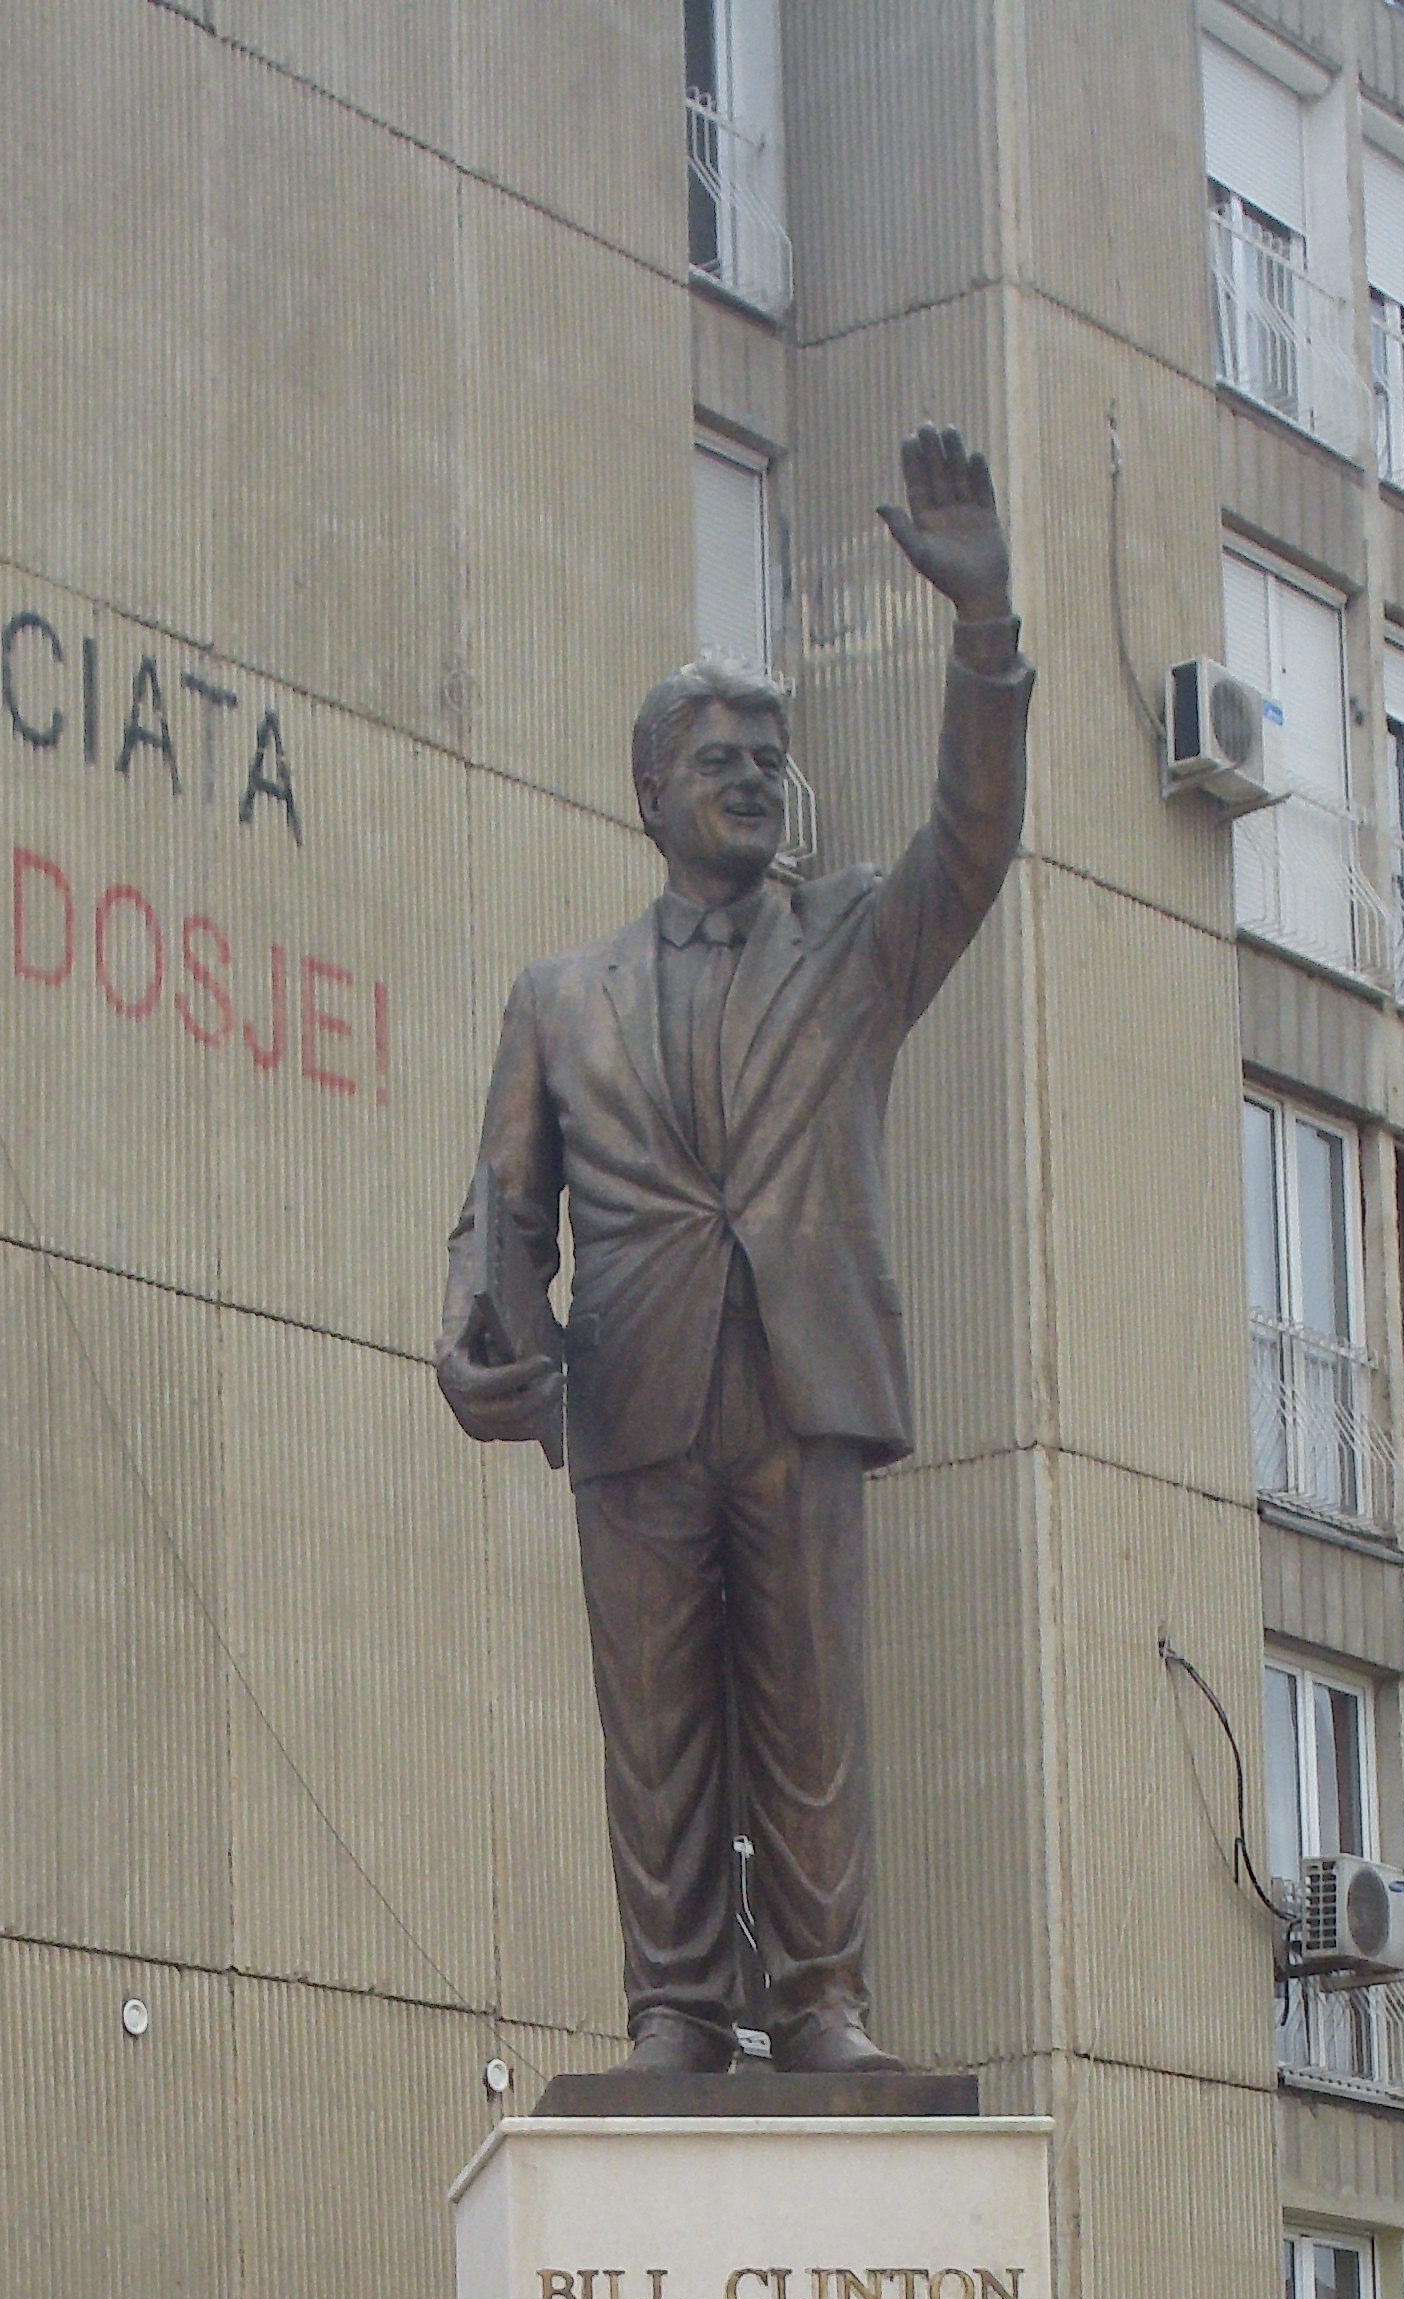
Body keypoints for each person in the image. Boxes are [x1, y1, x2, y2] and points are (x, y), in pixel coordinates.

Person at [434, 423, 1034, 2073]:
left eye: (772, 757)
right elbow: (502, 1206)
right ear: (648, 794)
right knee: (657, 1724)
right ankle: (678, 2007)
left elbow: (971, 846)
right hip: (631, 1388)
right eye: (722, 758)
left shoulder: (853, 941)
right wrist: (475, 1329)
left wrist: (985, 638)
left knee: (813, 1710)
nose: (757, 779)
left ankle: (820, 1998)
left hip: (799, 1377)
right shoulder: (561, 999)